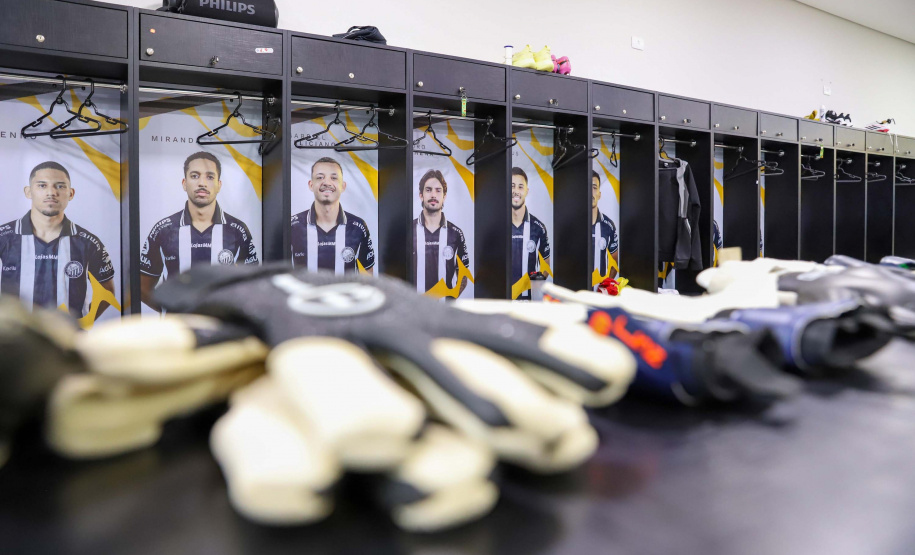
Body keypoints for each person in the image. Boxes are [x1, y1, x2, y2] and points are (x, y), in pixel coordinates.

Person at [140, 151, 258, 312]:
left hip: (220, 330)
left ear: (219, 185)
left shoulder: (237, 230)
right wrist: (172, 311)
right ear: (184, 183)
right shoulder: (163, 230)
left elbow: (252, 284)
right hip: (178, 331)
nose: (202, 183)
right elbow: (142, 287)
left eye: (210, 177)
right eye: (195, 176)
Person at [0, 161, 115, 319]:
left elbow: (107, 292)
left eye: (60, 186)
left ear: (71, 193)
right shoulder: (4, 237)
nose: (51, 192)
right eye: (42, 185)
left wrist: (81, 323)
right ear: (28, 192)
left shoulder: (88, 242)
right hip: (17, 339)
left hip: (67, 339)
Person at [290, 157, 375, 275]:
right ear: (311, 185)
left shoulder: (358, 226)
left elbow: (368, 273)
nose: (327, 183)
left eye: (334, 178)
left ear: (343, 186)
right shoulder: (293, 226)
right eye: (320, 177)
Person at [412, 169, 469, 298]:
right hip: (414, 311)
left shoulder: (456, 233)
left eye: (438, 190)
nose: (433, 195)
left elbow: (463, 274)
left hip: (444, 312)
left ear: (444, 196)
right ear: (421, 195)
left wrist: (451, 299)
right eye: (428, 190)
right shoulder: (408, 231)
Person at [510, 167, 551, 300]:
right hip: (502, 302)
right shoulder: (496, 226)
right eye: (512, 186)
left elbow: (546, 266)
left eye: (520, 187)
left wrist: (534, 288)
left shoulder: (538, 228)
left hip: (529, 304)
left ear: (527, 191)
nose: (516, 191)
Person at [592, 170, 619, 288]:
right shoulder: (571, 225)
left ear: (599, 194)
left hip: (599, 298)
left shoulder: (608, 226)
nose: (590, 192)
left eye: (594, 187)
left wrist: (605, 286)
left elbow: (614, 261)